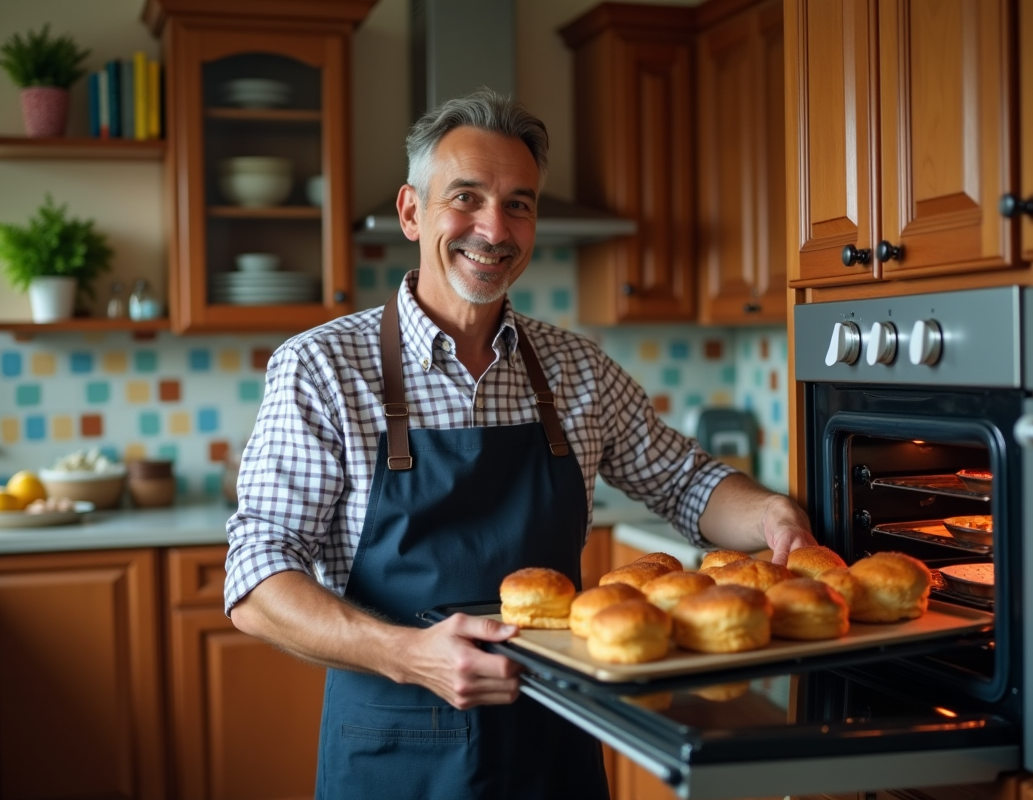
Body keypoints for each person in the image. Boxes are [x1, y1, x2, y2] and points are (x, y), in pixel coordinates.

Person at [225, 88, 817, 799]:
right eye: (466, 198)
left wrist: (771, 514)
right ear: (412, 212)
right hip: (393, 751)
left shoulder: (576, 369)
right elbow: (256, 577)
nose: (494, 229)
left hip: (553, 749)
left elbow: (686, 482)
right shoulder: (322, 368)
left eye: (518, 205)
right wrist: (408, 654)